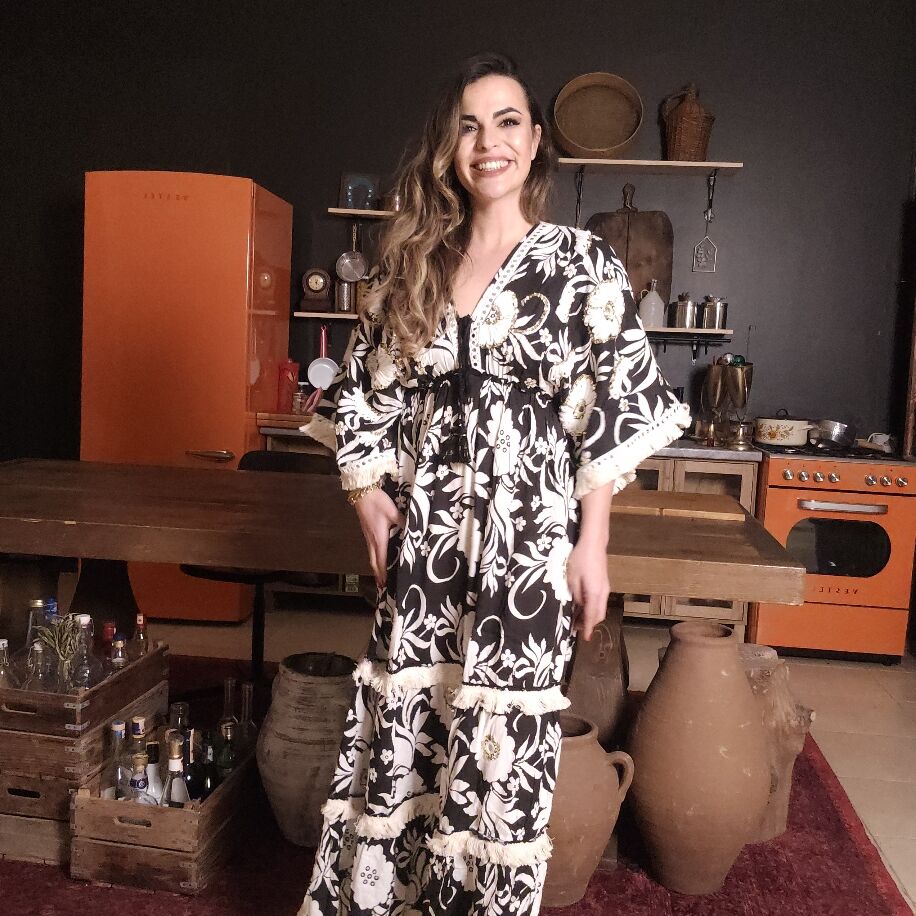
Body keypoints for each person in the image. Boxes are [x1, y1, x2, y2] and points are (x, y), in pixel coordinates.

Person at [298, 52, 690, 916]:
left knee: (502, 748)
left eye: (507, 121)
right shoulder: (413, 263)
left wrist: (593, 545)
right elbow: (362, 396)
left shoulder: (581, 263)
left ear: (536, 140)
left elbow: (608, 409)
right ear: (450, 147)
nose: (488, 142)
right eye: (469, 126)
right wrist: (365, 497)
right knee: (413, 730)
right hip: (427, 543)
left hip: (527, 545)